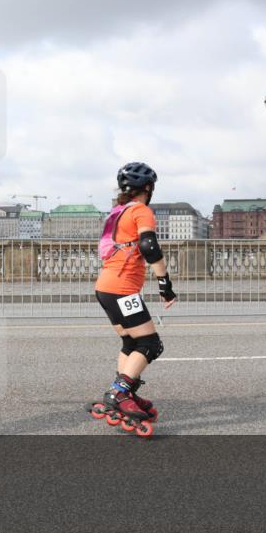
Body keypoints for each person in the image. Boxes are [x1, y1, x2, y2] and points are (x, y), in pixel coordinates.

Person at [87, 162, 177, 435]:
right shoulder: (140, 210)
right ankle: (119, 393)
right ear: (148, 188)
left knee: (131, 341)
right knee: (151, 344)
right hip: (123, 288)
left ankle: (128, 394)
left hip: (105, 286)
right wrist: (165, 285)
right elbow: (149, 246)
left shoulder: (117, 212)